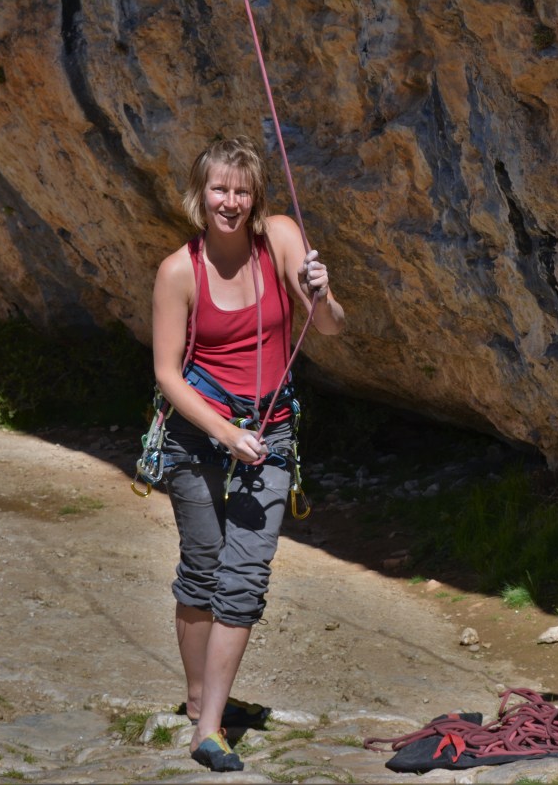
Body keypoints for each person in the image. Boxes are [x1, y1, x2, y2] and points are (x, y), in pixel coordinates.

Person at [152, 135, 345, 770]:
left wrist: (322, 292)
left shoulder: (281, 237)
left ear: (256, 196)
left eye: (241, 191)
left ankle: (209, 728)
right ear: (200, 194)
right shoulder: (179, 271)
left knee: (244, 578)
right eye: (219, 189)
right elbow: (168, 375)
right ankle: (197, 697)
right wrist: (225, 432)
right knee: (203, 569)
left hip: (271, 431)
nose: (230, 202)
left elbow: (330, 326)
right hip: (197, 433)